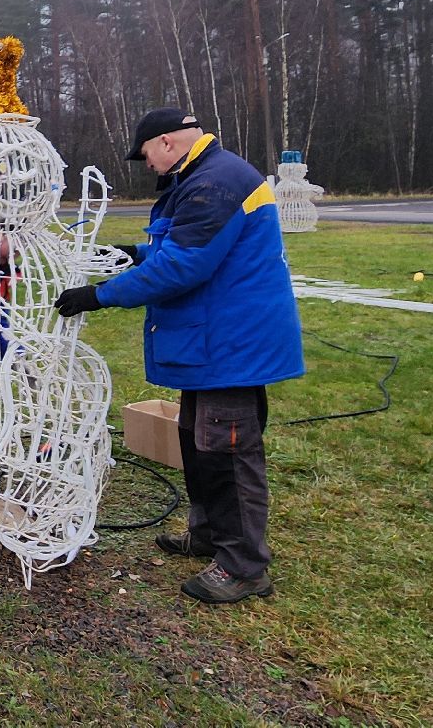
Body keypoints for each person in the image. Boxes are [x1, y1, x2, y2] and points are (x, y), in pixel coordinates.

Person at [54, 107, 304, 605]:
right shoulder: (201, 179)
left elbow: (185, 266)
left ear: (167, 142)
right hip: (211, 343)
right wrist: (134, 253)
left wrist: (100, 295)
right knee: (196, 441)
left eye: (146, 154)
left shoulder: (216, 183)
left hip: (230, 343)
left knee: (227, 454)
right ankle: (209, 534)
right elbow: (175, 247)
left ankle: (244, 566)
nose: (147, 165)